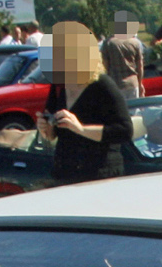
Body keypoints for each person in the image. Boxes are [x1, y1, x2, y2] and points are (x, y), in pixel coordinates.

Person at [39, 20, 134, 184]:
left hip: (100, 174)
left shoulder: (102, 85)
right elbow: (54, 134)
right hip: (65, 172)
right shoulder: (59, 85)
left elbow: (124, 131)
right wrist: (46, 129)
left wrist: (81, 128)